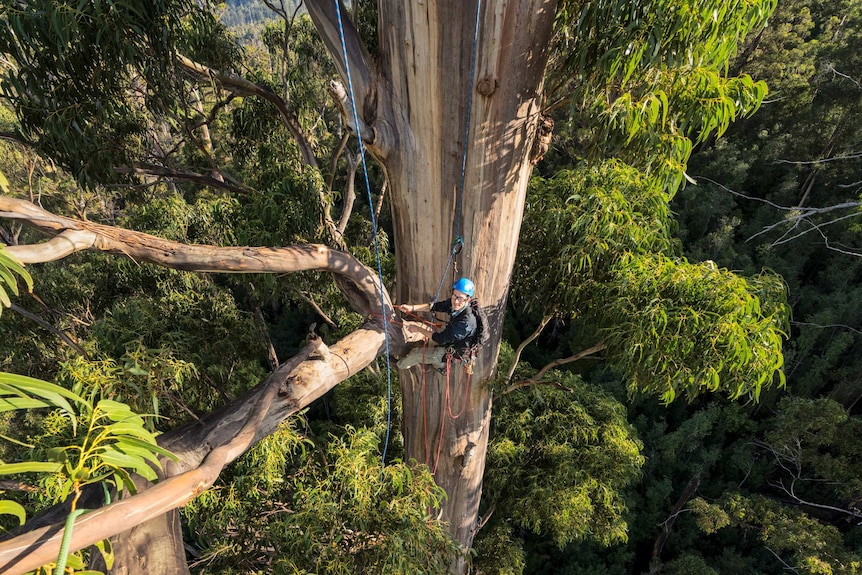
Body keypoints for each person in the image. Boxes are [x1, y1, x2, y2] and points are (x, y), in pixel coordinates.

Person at [396, 277, 477, 371]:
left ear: (468, 300)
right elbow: (435, 306)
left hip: (455, 351)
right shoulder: (456, 304)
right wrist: (412, 308)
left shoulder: (466, 323)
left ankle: (400, 365)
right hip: (452, 337)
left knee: (416, 354)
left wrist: (418, 329)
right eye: (454, 296)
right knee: (430, 335)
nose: (456, 301)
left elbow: (440, 339)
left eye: (460, 298)